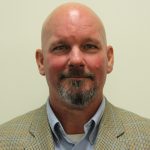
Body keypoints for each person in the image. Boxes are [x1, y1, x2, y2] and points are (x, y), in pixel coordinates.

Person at [0, 2, 150, 150]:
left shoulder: (146, 138)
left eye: (89, 46)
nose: (76, 60)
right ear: (41, 61)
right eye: (61, 47)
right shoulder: (4, 140)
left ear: (109, 59)